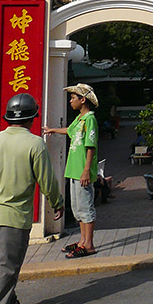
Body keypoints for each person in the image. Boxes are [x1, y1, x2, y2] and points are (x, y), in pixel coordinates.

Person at [0, 93, 64, 304]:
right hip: (14, 218)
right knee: (7, 270)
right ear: (33, 118)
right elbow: (47, 180)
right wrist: (56, 202)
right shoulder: (35, 145)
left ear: (8, 118)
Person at [44, 83, 100, 258]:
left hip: (82, 171)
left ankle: (88, 245)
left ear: (83, 100)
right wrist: (53, 130)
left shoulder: (90, 119)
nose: (71, 101)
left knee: (85, 208)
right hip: (73, 170)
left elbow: (91, 147)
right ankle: (82, 241)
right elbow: (70, 131)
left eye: (73, 97)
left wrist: (86, 170)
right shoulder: (79, 119)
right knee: (77, 209)